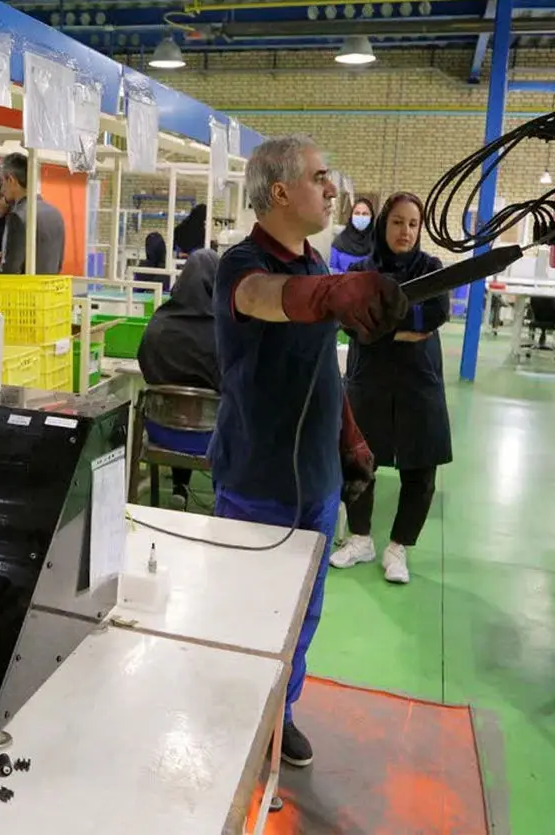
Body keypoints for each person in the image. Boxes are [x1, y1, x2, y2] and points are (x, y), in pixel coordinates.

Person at [212, 134, 407, 768]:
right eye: (321, 177)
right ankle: (236, 712)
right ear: (280, 191)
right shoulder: (239, 266)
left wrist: (349, 436)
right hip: (257, 479)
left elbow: (325, 368)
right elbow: (264, 300)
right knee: (248, 612)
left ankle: (280, 712)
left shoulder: (317, 264)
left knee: (304, 612)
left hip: (318, 481)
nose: (333, 189)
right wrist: (333, 297)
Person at [329, 192, 452, 585]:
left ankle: (399, 548)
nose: (406, 231)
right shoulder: (363, 270)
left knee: (420, 468)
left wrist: (382, 324)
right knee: (359, 461)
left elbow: (436, 314)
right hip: (370, 381)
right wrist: (402, 327)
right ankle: (361, 539)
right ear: (384, 224)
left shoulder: (431, 269)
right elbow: (352, 322)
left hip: (419, 382)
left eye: (413, 224)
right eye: (398, 222)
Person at [136, 249, 221, 510]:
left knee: (180, 412)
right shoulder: (224, 331)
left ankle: (178, 489)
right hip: (211, 437)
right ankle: (224, 499)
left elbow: (145, 362)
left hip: (160, 430)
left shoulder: (160, 321)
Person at [0, 154, 65, 275]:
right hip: (50, 291)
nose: (1, 189)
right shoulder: (55, 213)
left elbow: (9, 270)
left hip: (25, 292)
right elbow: (58, 264)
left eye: (2, 182)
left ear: (11, 180)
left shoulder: (17, 217)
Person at [329, 197, 375, 273]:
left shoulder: (378, 242)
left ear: (371, 217)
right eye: (357, 213)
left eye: (365, 214)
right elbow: (331, 269)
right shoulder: (339, 241)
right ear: (351, 216)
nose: (361, 217)